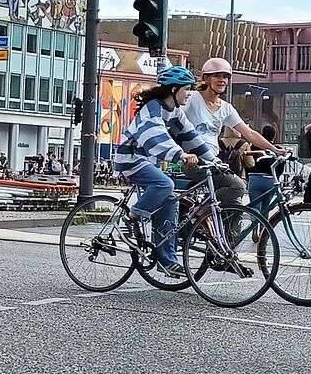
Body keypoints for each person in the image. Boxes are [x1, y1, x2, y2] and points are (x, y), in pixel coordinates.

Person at [111, 65, 212, 275]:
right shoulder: (153, 107)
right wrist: (180, 155)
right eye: (187, 89)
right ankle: (130, 218)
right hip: (131, 158)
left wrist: (214, 160)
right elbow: (155, 134)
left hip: (148, 161)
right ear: (173, 90)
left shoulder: (175, 112)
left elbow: (190, 136)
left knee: (170, 203)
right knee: (165, 184)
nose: (190, 93)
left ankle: (167, 261)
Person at [181, 58, 286, 223]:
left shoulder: (225, 108)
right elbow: (173, 119)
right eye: (216, 76)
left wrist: (275, 150)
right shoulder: (193, 99)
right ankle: (199, 212)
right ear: (206, 78)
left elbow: (249, 133)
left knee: (235, 207)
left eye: (225, 76)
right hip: (194, 162)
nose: (222, 80)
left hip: (213, 162)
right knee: (237, 186)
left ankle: (225, 247)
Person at [242, 123, 281, 210]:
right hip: (270, 180)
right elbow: (280, 168)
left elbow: (248, 163)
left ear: (262, 134)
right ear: (274, 136)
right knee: (266, 208)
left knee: (255, 207)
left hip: (255, 179)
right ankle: (264, 223)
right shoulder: (277, 150)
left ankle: (254, 222)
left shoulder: (253, 148)